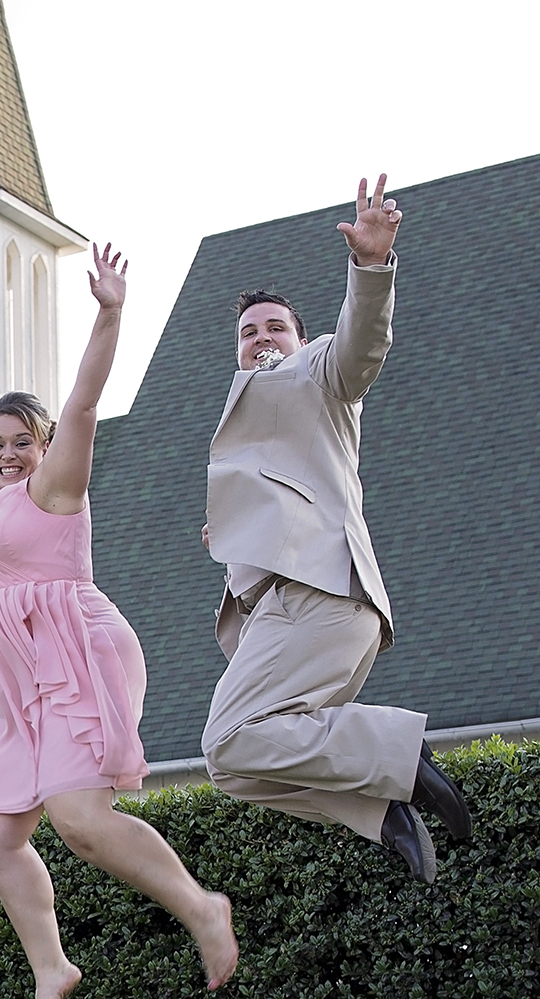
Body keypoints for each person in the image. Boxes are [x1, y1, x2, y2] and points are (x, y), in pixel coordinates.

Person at [0, 247, 240, 999]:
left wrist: (109, 314)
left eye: (22, 440)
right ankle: (52, 964)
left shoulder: (56, 489)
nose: (8, 454)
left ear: (43, 446)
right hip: (22, 677)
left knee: (79, 817)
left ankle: (200, 905)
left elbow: (83, 405)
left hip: (81, 650)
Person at [200, 174, 469, 881]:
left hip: (321, 596)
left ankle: (399, 754)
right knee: (234, 763)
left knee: (225, 738)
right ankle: (382, 812)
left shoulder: (316, 371)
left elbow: (359, 349)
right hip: (293, 616)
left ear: (298, 338)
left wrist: (371, 269)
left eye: (273, 328)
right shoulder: (245, 426)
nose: (261, 339)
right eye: (247, 332)